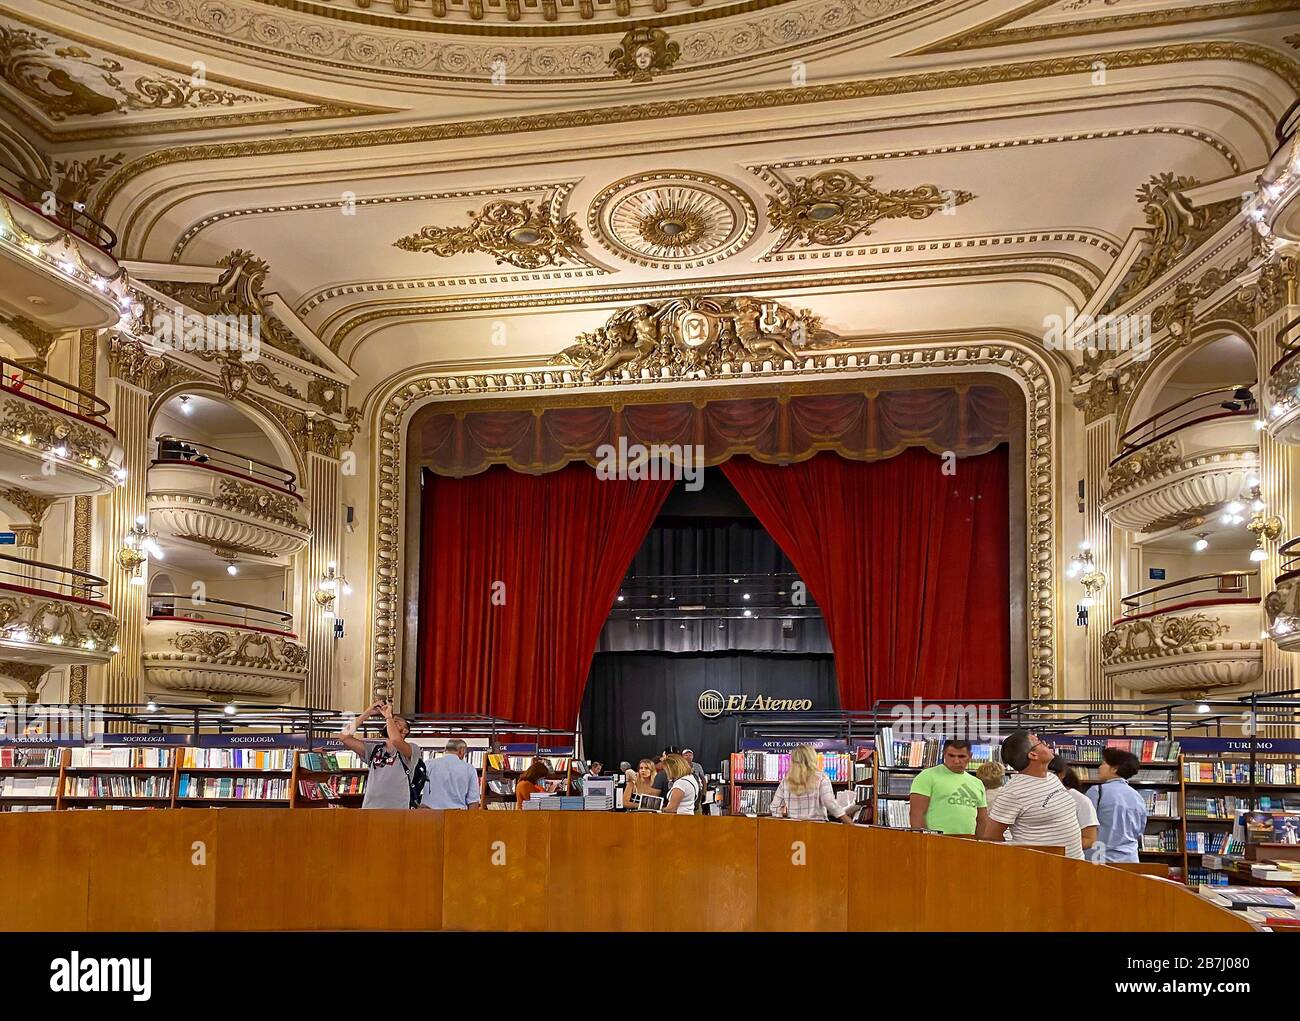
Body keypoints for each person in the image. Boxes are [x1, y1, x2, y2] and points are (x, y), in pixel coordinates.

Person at [980, 731, 1084, 859]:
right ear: (1033, 755)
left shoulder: (1052, 778)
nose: (1046, 743)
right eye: (1039, 742)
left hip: (1075, 866)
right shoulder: (1012, 793)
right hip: (1043, 871)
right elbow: (990, 837)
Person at [338, 700, 418, 809]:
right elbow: (344, 737)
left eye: (397, 722)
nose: (390, 722)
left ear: (404, 731)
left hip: (397, 810)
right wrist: (367, 713)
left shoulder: (412, 749)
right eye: (390, 722)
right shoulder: (374, 749)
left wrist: (389, 717)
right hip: (370, 808)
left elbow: (396, 740)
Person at [908, 739, 988, 835]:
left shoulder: (977, 783)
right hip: (936, 840)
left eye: (961, 756)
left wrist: (979, 844)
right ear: (944, 754)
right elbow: (916, 814)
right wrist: (922, 843)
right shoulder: (927, 776)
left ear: (970, 756)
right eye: (951, 756)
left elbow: (982, 820)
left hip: (968, 842)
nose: (956, 760)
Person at [1086, 747, 1149, 863]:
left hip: (1100, 858)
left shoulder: (1097, 791)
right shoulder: (1138, 797)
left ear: (1114, 769)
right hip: (1130, 859)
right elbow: (1140, 830)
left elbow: (1085, 825)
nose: (1100, 767)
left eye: (1104, 763)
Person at [769, 744, 854, 823]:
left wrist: (780, 824)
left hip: (794, 827)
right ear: (812, 758)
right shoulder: (821, 778)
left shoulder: (786, 781)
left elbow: (775, 806)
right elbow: (829, 802)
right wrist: (847, 820)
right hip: (817, 827)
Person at [1048, 756, 1099, 853]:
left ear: (1061, 774)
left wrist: (1058, 848)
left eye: (1049, 773)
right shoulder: (1027, 796)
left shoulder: (1080, 801)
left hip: (1067, 860)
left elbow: (1090, 839)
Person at [421, 738, 481, 810]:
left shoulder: (428, 764)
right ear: (462, 750)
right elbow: (473, 800)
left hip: (429, 813)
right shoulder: (469, 768)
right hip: (457, 815)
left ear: (445, 750)